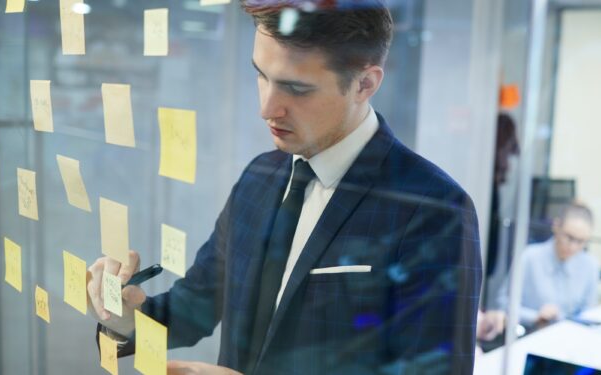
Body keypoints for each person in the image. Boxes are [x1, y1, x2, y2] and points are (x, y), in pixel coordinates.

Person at [86, 1, 482, 374]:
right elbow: (195, 305)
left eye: (296, 88)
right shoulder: (261, 176)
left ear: (364, 83)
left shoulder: (434, 209)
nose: (267, 108)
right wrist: (123, 315)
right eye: (261, 75)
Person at [499, 202, 600, 329]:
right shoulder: (529, 257)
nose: (573, 246)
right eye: (569, 237)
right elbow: (504, 303)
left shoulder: (590, 266)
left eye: (581, 241)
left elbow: (589, 313)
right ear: (556, 226)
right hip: (532, 332)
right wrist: (535, 316)